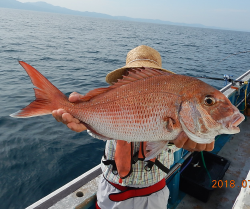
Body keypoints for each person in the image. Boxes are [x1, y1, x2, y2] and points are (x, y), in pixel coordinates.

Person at [52, 45, 214, 209]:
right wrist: (83, 121)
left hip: (153, 195)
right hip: (110, 190)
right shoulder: (116, 99)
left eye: (149, 75)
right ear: (124, 80)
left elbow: (171, 142)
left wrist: (194, 135)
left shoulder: (173, 104)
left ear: (160, 79)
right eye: (134, 75)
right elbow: (104, 130)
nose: (142, 82)